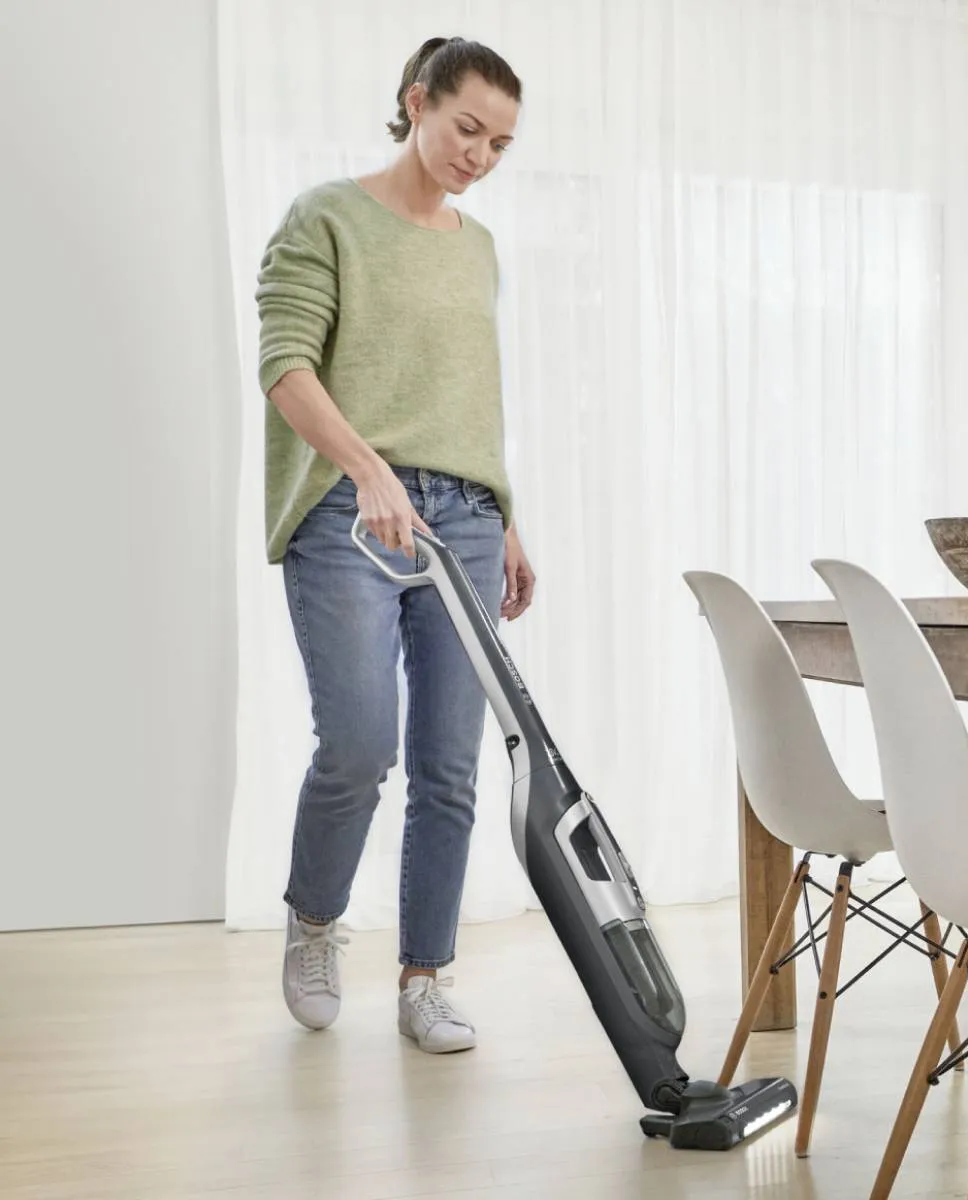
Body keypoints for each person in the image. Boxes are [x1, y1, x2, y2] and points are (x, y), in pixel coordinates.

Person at [254, 36, 533, 1053]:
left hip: (460, 516)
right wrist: (366, 468)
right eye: (467, 128)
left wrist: (506, 516)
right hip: (344, 511)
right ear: (415, 101)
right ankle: (315, 921)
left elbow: (470, 398)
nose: (478, 155)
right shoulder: (325, 217)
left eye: (499, 144)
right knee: (360, 743)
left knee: (450, 764)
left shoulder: (478, 246)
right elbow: (285, 365)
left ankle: (426, 976)